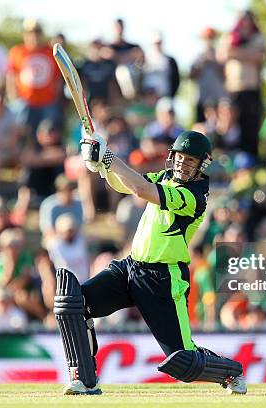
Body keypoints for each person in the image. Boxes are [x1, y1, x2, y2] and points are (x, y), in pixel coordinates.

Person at [53, 130, 246, 395]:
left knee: (184, 362)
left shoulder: (194, 197)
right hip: (131, 267)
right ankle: (84, 380)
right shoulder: (165, 177)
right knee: (72, 304)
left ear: (202, 165)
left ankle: (230, 372)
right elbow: (127, 185)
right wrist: (99, 167)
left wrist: (108, 156)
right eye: (179, 157)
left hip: (164, 279)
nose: (182, 164)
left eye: (190, 160)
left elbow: (141, 189)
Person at [217, 10, 266, 154]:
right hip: (233, 88)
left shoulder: (258, 37)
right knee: (232, 124)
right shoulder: (230, 36)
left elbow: (261, 56)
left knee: (251, 124)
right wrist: (248, 53)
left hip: (251, 88)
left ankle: (251, 157)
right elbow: (222, 55)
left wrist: (236, 53)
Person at [7, 19, 62, 135]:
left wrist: (56, 98)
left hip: (48, 102)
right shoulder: (17, 52)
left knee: (48, 134)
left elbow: (58, 78)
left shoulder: (50, 52)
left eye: (37, 32)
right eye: (30, 32)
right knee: (23, 135)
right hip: (24, 102)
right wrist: (14, 97)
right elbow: (11, 76)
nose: (34, 35)